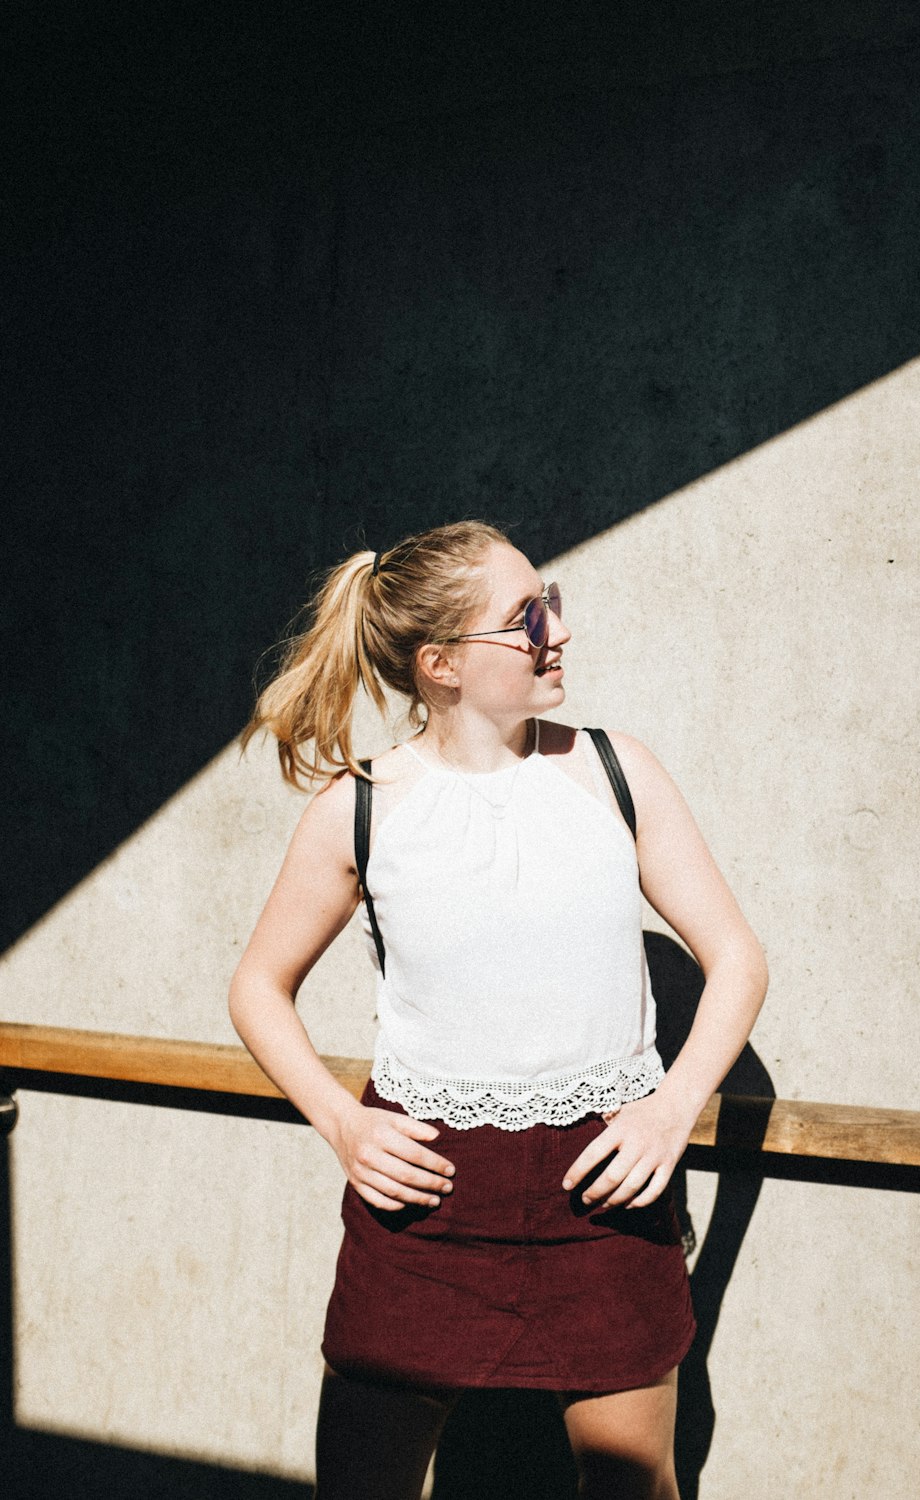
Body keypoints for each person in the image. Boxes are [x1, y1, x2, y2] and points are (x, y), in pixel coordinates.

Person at [229, 519, 768, 1500]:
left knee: (635, 1488)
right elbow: (257, 986)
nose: (554, 630)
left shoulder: (618, 771)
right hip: (426, 1202)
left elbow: (734, 957)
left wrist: (667, 1108)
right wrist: (342, 1122)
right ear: (440, 664)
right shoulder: (359, 809)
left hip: (604, 1197)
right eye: (524, 618)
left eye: (548, 602)